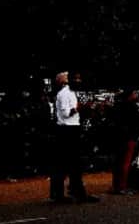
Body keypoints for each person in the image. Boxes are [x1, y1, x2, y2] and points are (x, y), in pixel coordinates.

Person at [49, 71, 97, 203]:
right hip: (65, 130)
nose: (78, 81)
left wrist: (87, 109)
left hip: (73, 128)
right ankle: (59, 195)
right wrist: (80, 108)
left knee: (75, 164)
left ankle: (78, 192)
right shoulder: (64, 94)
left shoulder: (73, 93)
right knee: (64, 163)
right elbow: (65, 114)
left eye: (79, 78)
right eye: (75, 79)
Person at [109, 87, 139, 195]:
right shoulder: (132, 107)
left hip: (118, 136)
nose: (136, 94)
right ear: (130, 95)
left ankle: (116, 186)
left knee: (118, 162)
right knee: (126, 162)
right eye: (134, 93)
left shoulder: (118, 106)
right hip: (129, 136)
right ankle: (122, 186)